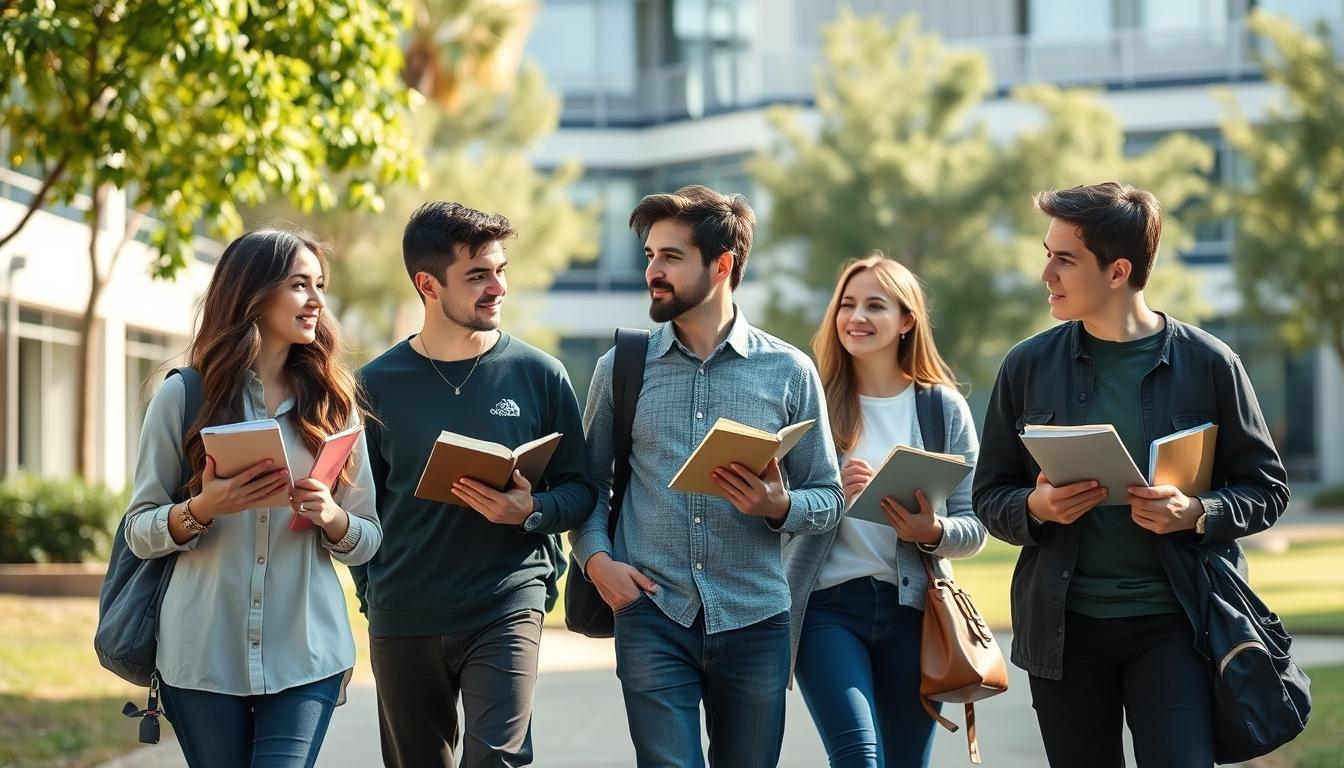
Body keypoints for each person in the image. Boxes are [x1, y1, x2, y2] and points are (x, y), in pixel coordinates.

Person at [972, 182, 1291, 767]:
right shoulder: (1026, 366)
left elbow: (1266, 490)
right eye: (1047, 253)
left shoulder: (1210, 363)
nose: (1047, 273)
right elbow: (990, 496)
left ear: (1118, 271)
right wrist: (1037, 508)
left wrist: (1196, 512)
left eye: (1064, 258)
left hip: (1178, 624)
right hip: (1065, 631)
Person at [570, 185, 844, 767]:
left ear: (721, 266)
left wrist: (779, 506)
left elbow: (829, 496)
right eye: (650, 256)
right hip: (651, 609)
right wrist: (598, 565)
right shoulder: (621, 367)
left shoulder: (788, 371)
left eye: (671, 257)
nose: (653, 271)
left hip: (755, 619)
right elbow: (588, 485)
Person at [123, 229, 382, 768]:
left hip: (306, 653)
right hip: (201, 657)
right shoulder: (184, 397)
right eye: (299, 285)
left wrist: (333, 517)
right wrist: (202, 509)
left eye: (320, 286)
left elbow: (367, 539)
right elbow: (138, 532)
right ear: (253, 293)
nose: (316, 301)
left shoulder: (335, 405)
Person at [353, 202, 597, 767]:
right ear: (427, 284)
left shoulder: (539, 375)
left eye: (501, 270)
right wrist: (374, 591)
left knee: (498, 762)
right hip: (405, 608)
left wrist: (530, 509)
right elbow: (360, 507)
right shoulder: (373, 387)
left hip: (508, 600)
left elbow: (582, 489)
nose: (497, 287)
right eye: (478, 275)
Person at [784, 253, 987, 767]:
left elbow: (976, 523)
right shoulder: (812, 403)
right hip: (826, 610)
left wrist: (932, 529)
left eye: (876, 305)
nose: (857, 317)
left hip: (914, 615)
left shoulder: (941, 408)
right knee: (858, 755)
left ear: (907, 321)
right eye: (847, 304)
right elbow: (774, 514)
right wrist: (831, 500)